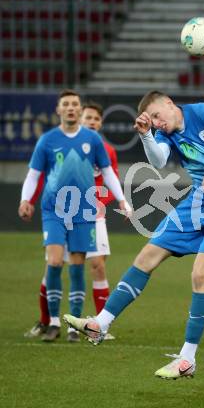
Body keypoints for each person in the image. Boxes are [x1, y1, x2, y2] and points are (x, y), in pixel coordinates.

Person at [64, 91, 204, 379]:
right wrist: (146, 135)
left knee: (199, 275)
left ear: (170, 104)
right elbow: (158, 162)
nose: (157, 123)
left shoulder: (202, 112)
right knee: (147, 256)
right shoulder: (164, 133)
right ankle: (101, 323)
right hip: (198, 200)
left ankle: (187, 359)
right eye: (152, 121)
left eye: (157, 116)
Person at [18, 89, 131, 343]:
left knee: (80, 266)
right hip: (54, 211)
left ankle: (73, 326)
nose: (70, 108)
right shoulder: (47, 140)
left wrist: (122, 199)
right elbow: (34, 174)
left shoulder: (93, 140)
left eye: (74, 104)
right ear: (58, 110)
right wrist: (26, 200)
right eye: (66, 104)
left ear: (79, 110)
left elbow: (108, 173)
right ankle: (53, 322)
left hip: (84, 211)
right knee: (55, 262)